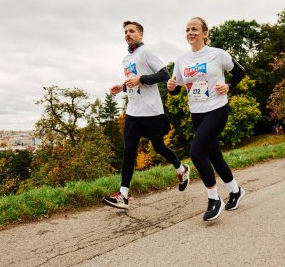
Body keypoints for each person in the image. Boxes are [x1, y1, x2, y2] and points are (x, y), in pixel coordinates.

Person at [102, 21, 190, 210]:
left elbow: (164, 75)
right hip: (133, 112)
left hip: (151, 111)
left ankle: (182, 169)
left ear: (141, 35)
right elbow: (133, 81)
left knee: (159, 147)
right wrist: (123, 87)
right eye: (125, 31)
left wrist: (140, 79)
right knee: (128, 151)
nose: (128, 34)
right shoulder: (126, 58)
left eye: (132, 31)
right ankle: (123, 195)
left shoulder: (147, 52)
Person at [167, 17, 246, 221]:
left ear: (204, 33)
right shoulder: (181, 60)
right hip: (197, 112)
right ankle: (235, 191)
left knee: (196, 152)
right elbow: (176, 89)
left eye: (194, 29)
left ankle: (214, 199)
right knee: (214, 155)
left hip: (217, 109)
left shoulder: (218, 54)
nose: (190, 33)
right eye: (187, 30)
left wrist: (229, 86)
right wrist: (171, 87)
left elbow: (239, 73)